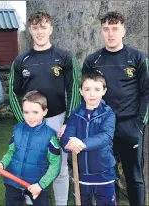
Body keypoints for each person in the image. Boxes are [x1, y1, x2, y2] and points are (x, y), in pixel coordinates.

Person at [9, 11, 81, 205]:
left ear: (51, 29)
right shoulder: (20, 61)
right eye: (35, 28)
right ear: (29, 31)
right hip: (31, 120)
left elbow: (74, 90)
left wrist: (68, 122)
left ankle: (60, 203)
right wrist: (23, 120)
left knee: (60, 167)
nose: (39, 32)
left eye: (43, 27)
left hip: (58, 120)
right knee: (31, 163)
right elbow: (13, 93)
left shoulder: (65, 57)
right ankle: (32, 200)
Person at [82, 11, 149, 206]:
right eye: (106, 29)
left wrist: (139, 125)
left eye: (115, 28)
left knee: (134, 177)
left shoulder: (137, 58)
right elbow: (85, 94)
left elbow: (147, 92)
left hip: (129, 127)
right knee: (107, 177)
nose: (111, 33)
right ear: (101, 32)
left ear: (123, 30)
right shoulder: (92, 61)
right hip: (101, 127)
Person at [0, 90, 61, 206]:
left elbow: (55, 165)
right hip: (13, 182)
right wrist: (2, 164)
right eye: (26, 112)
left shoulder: (50, 137)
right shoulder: (18, 129)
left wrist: (41, 185)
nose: (30, 117)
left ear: (44, 111)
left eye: (35, 112)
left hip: (36, 185)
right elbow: (11, 152)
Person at [60, 71, 116, 205]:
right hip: (80, 173)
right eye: (87, 89)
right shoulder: (75, 114)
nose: (92, 94)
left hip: (103, 173)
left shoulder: (108, 114)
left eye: (97, 89)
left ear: (104, 91)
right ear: (81, 91)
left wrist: (83, 143)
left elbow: (105, 137)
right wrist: (67, 143)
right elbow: (67, 137)